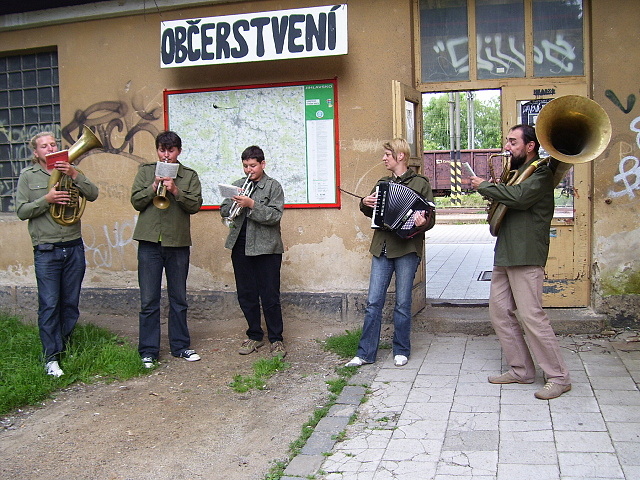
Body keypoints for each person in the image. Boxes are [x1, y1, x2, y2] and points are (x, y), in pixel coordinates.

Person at [470, 124, 571, 400]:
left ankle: (559, 377)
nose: (507, 146)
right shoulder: (517, 172)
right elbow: (508, 199)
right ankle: (521, 370)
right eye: (507, 141)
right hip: (506, 251)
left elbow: (520, 198)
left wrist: (487, 187)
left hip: (526, 253)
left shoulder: (541, 173)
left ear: (530, 146)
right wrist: (493, 190)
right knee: (499, 312)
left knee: (532, 316)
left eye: (513, 142)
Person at [16, 131, 99, 377]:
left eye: (53, 144)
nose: (50, 148)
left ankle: (64, 347)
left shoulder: (70, 171)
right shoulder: (28, 176)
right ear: (36, 152)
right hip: (47, 249)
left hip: (73, 246)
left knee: (70, 304)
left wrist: (74, 175)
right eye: (44, 146)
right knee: (50, 305)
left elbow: (93, 194)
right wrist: (47, 199)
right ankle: (51, 357)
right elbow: (22, 211)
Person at [346, 138, 434, 368]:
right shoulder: (382, 183)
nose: (384, 158)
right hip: (382, 246)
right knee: (373, 301)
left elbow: (430, 219)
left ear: (400, 156)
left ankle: (401, 350)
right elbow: (370, 210)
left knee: (403, 302)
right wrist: (365, 202)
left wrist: (423, 221)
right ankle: (365, 353)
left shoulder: (421, 183)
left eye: (387, 154)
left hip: (407, 248)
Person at [131, 131, 203, 368]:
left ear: (178, 151)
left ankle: (180, 346)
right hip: (149, 242)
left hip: (177, 243)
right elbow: (135, 201)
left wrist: (175, 191)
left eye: (171, 151)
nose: (166, 155)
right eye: (162, 150)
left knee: (178, 298)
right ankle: (148, 351)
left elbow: (195, 205)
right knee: (149, 299)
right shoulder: (145, 171)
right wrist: (154, 186)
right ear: (157, 150)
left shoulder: (189, 175)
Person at [221, 145, 286, 358]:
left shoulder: (273, 186)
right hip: (240, 246)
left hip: (267, 248)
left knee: (270, 295)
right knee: (246, 294)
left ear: (262, 164)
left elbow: (274, 216)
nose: (249, 170)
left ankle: (276, 339)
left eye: (253, 166)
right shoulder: (238, 185)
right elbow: (223, 210)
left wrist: (251, 204)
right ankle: (255, 335)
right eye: (246, 166)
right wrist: (233, 201)